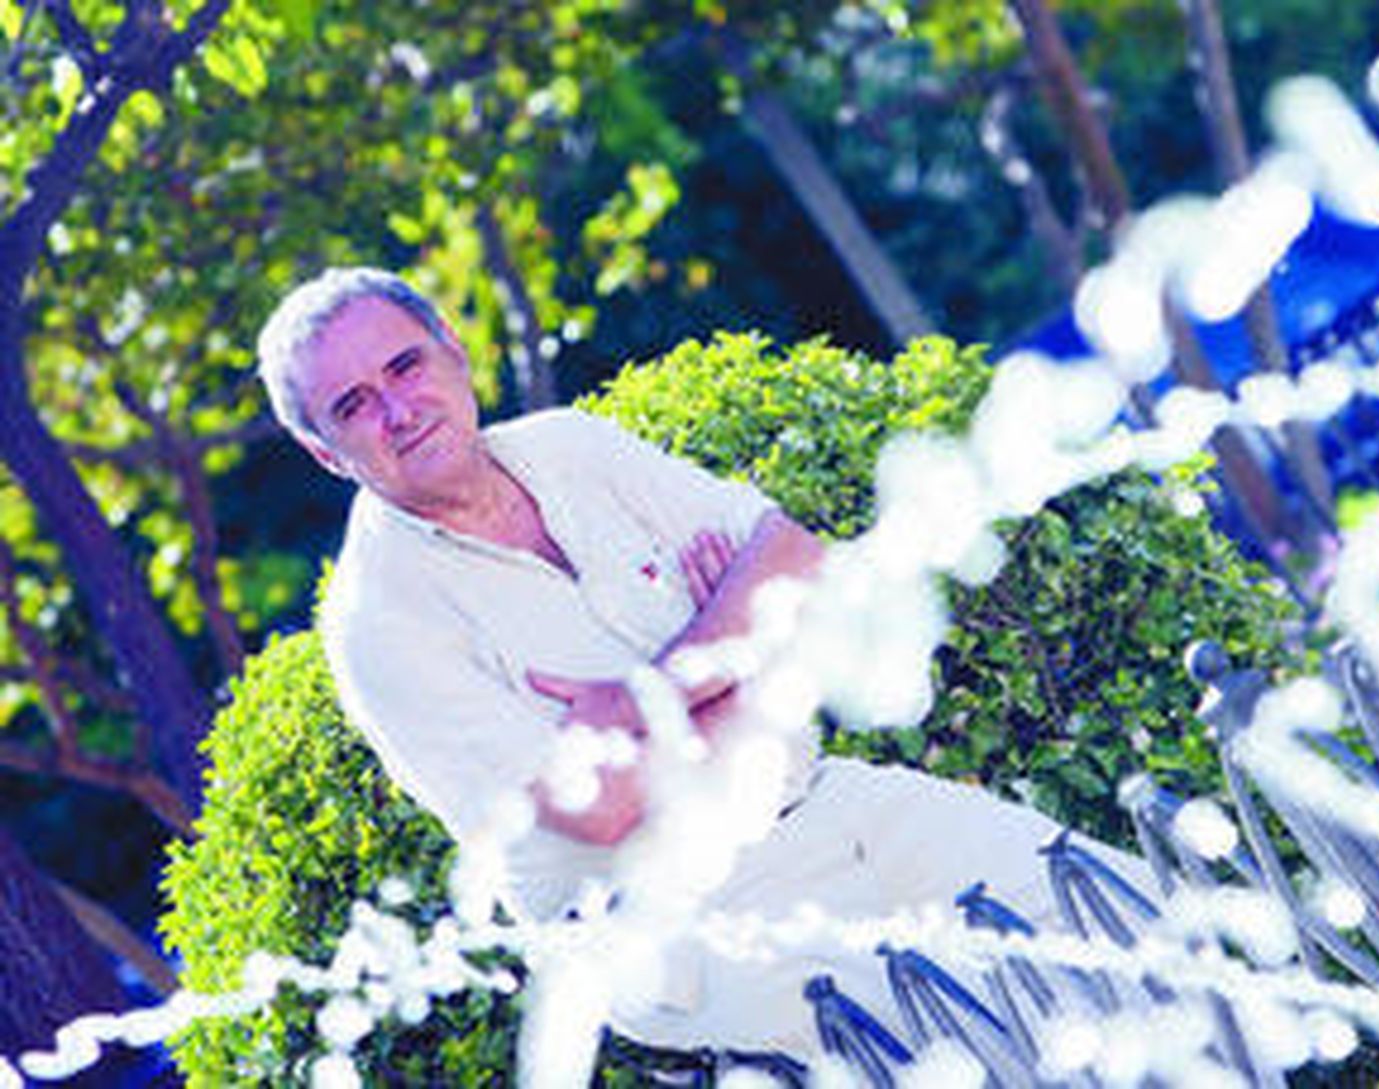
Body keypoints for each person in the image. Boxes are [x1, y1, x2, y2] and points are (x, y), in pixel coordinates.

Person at [256, 267, 1150, 1063]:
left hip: (828, 800)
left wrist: (652, 693)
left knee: (1133, 927)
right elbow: (609, 809)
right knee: (980, 1042)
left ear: (453, 350)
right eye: (353, 405)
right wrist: (749, 656)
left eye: (404, 366)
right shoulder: (379, 626)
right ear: (325, 453)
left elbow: (798, 560)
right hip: (686, 925)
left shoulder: (573, 446)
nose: (397, 410)